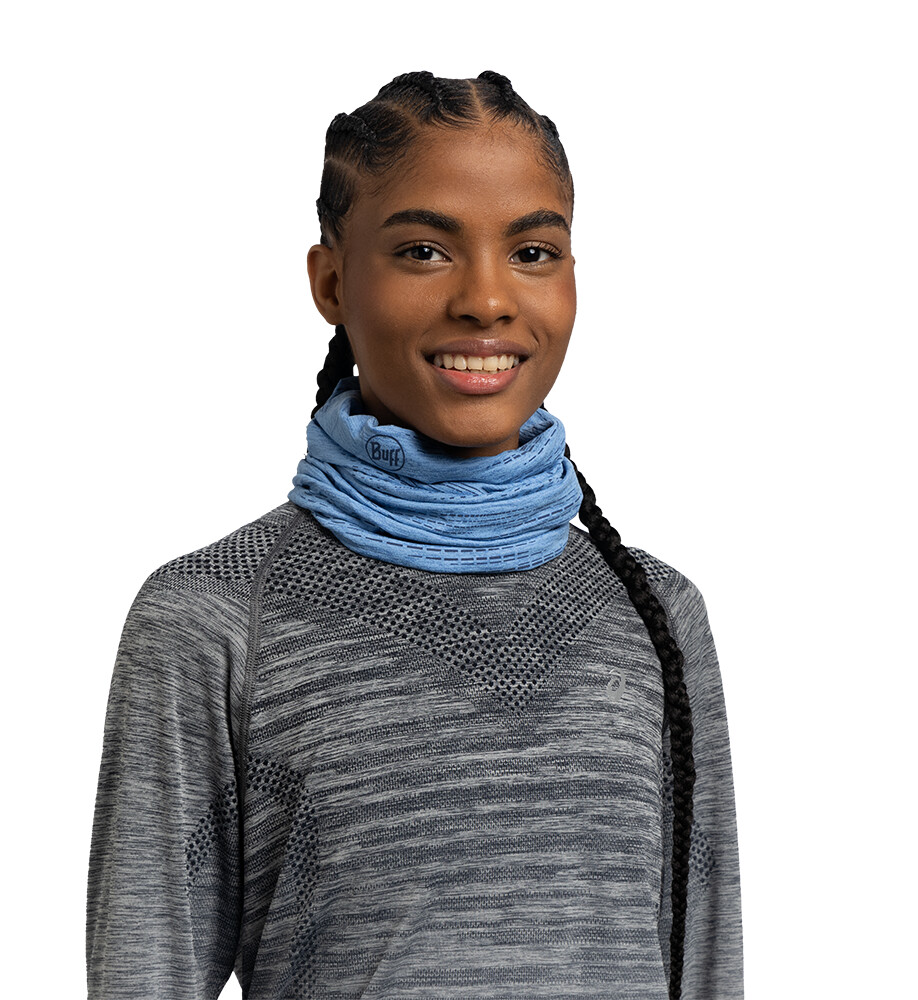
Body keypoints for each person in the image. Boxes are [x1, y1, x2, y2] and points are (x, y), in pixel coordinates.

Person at [87, 71, 743, 1000]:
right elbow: (143, 974)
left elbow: (708, 966)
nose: (486, 300)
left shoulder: (658, 614)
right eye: (425, 251)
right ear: (331, 282)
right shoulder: (213, 617)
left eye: (533, 252)